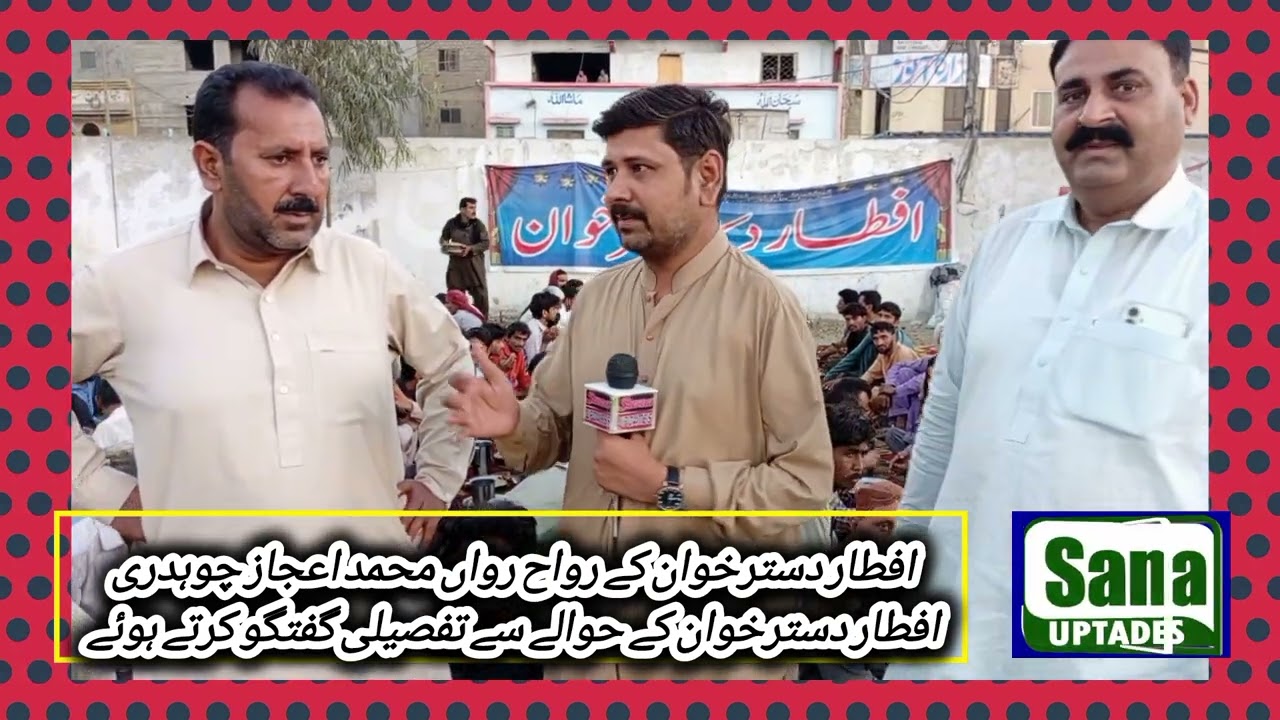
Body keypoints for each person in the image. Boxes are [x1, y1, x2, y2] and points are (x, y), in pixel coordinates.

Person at [70, 61, 473, 680]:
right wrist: (107, 494)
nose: (308, 183)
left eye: (319, 157)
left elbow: (453, 368)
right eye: (280, 157)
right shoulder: (125, 287)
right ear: (211, 164)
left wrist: (440, 480)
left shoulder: (368, 271)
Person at [444, 84, 833, 681]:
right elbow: (550, 430)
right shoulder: (597, 300)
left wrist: (669, 485)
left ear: (707, 176)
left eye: (639, 170)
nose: (615, 192)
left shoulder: (765, 310)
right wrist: (514, 422)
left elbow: (803, 484)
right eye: (609, 171)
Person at [888, 39, 1207, 682]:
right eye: (1072, 93)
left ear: (1187, 100)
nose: (1092, 114)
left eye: (1126, 86)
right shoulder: (1009, 242)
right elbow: (945, 419)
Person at [440, 196, 492, 317]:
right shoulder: (451, 224)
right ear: (462, 209)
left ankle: (482, 322)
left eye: (475, 208)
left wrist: (471, 248)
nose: (474, 211)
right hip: (457, 266)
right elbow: (444, 238)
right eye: (471, 208)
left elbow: (485, 243)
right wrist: (447, 245)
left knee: (481, 297)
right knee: (455, 296)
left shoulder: (478, 225)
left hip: (474, 266)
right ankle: (455, 322)